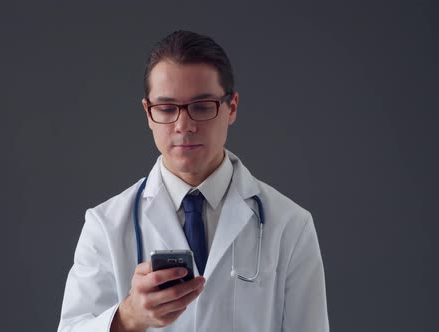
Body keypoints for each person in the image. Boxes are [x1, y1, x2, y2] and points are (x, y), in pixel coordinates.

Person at [58, 30, 329, 332]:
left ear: (232, 108)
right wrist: (129, 316)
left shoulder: (290, 225)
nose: (184, 126)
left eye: (201, 107)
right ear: (149, 113)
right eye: (166, 108)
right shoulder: (105, 225)